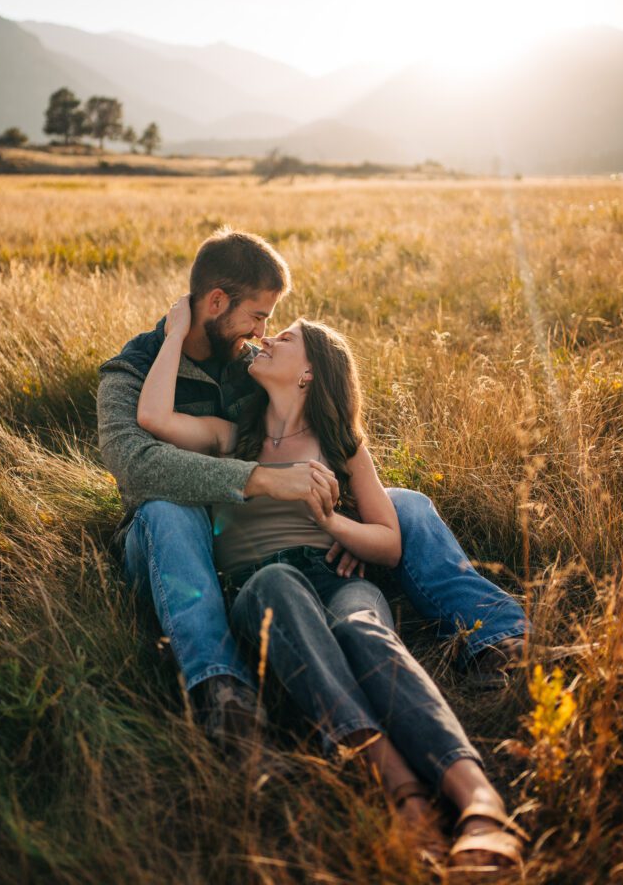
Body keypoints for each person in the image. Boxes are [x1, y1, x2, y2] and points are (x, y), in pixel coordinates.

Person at [133, 296, 527, 869]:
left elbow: (389, 542)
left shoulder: (341, 444)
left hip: (338, 578)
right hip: (261, 586)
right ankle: (403, 792)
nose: (266, 340)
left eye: (285, 337)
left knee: (366, 628)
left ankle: (481, 803)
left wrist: (332, 522)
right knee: (276, 586)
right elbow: (153, 419)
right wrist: (172, 336)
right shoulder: (232, 438)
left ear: (311, 371)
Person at [97, 228, 528, 745]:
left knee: (405, 506)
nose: (261, 333)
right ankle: (222, 687)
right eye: (258, 317)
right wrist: (265, 481)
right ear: (215, 302)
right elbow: (141, 465)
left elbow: (305, 440)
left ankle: (500, 638)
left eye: (271, 326)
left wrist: (339, 522)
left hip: (269, 525)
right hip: (176, 544)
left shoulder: (247, 363)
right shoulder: (130, 370)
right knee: (169, 508)